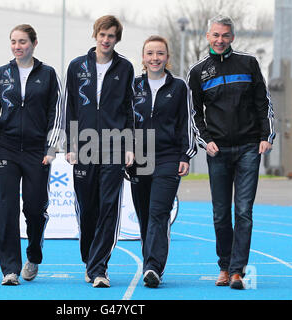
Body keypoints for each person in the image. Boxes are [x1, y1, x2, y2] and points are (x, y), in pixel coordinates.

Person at [187, 15, 275, 289]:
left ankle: (237, 270)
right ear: (207, 36)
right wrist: (206, 140)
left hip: (250, 148)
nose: (220, 40)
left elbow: (264, 103)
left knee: (244, 211)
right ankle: (224, 266)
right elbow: (193, 113)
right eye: (215, 35)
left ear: (232, 37)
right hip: (218, 151)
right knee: (221, 213)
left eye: (225, 35)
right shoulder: (198, 71)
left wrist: (266, 136)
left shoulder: (248, 63)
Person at [0, 24, 62, 285]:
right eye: (14, 42)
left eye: (23, 42)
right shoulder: (0, 74)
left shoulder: (49, 75)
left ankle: (34, 254)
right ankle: (10, 269)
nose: (18, 47)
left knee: (34, 208)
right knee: (6, 209)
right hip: (6, 149)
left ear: (34, 43)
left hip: (36, 151)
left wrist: (50, 149)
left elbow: (57, 115)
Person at [64, 15, 134, 288]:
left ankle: (99, 268)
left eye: (112, 36)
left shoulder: (125, 67)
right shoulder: (76, 66)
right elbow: (69, 107)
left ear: (117, 39)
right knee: (88, 207)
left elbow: (130, 109)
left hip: (114, 145)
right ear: (95, 35)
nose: (106, 40)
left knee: (108, 207)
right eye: (103, 35)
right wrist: (70, 145)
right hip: (84, 145)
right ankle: (89, 259)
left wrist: (130, 146)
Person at [130, 35, 197, 288]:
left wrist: (185, 155)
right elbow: (125, 120)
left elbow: (187, 122)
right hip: (139, 158)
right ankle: (150, 261)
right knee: (145, 215)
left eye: (160, 53)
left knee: (159, 212)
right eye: (150, 53)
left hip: (169, 157)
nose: (155, 58)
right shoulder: (132, 85)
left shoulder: (179, 87)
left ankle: (153, 267)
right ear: (144, 57)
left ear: (167, 58)